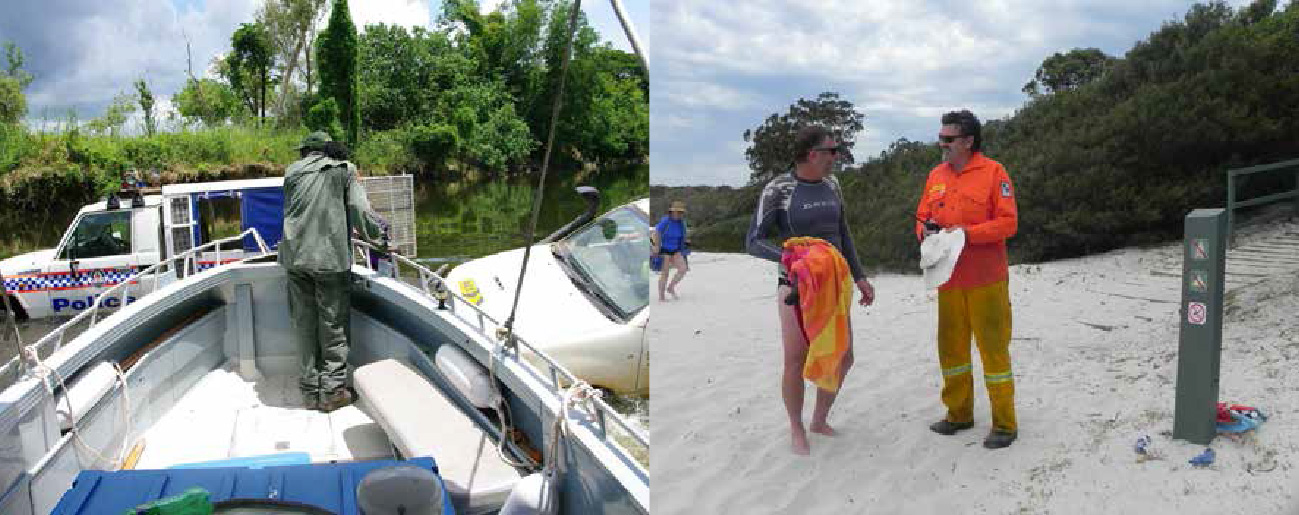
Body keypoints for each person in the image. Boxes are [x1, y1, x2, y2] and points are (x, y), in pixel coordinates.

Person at [746, 125, 875, 455]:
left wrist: (859, 276)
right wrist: (791, 259)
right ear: (812, 154)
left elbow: (842, 231)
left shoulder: (833, 184)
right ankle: (796, 427)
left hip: (835, 283)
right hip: (795, 285)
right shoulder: (779, 189)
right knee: (795, 359)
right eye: (832, 151)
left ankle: (819, 419)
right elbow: (754, 241)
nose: (836, 156)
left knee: (843, 357)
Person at [914, 110, 1019, 449]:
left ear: (968, 141)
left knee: (993, 351)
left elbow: (1008, 223)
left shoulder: (994, 172)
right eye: (940, 137)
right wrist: (925, 231)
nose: (941, 144)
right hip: (947, 280)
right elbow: (922, 217)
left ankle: (1004, 424)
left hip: (987, 279)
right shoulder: (936, 175)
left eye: (948, 139)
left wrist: (967, 235)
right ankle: (958, 414)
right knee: (952, 350)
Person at [279, 132, 387, 413]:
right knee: (333, 326)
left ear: (307, 152)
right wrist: (381, 240)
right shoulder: (344, 170)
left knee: (304, 324)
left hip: (294, 259)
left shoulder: (291, 173)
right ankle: (332, 392)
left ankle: (310, 390)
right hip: (328, 260)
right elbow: (359, 209)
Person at [652, 201, 690, 301]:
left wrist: (685, 244)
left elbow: (683, 235)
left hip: (676, 249)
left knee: (683, 269)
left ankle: (671, 287)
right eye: (677, 212)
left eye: (681, 212)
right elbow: (657, 232)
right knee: (665, 273)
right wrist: (656, 246)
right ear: (672, 212)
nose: (679, 214)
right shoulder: (666, 221)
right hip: (664, 249)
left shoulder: (682, 223)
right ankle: (661, 297)